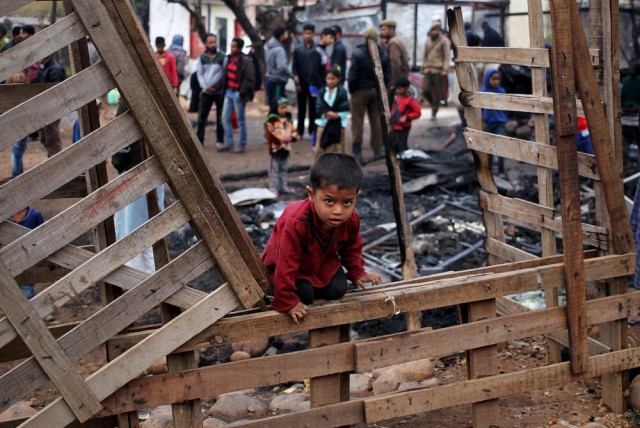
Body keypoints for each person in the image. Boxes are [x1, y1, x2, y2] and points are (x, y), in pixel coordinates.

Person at [262, 153, 382, 324]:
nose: (338, 211)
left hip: (319, 262)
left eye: (347, 202)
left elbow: (351, 248)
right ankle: (274, 292)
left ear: (356, 196)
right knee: (303, 294)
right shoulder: (296, 221)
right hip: (284, 267)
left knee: (339, 289)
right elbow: (286, 262)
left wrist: (357, 272)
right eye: (329, 201)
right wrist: (288, 301)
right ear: (311, 194)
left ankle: (310, 288)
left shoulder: (350, 220)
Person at [112, 100, 165, 273]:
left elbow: (119, 141)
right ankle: (150, 275)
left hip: (133, 170)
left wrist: (118, 162)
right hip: (154, 169)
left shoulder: (127, 100)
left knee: (130, 227)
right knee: (148, 226)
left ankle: (136, 278)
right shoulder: (155, 99)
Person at [348, 28, 390, 163]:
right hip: (376, 91)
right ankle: (378, 151)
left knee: (357, 123)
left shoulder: (358, 53)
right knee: (377, 122)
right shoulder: (383, 53)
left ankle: (357, 152)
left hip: (360, 91)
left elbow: (353, 75)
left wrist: (352, 89)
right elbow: (387, 76)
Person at [220, 37, 256, 153]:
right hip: (228, 92)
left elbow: (250, 79)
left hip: (238, 93)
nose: (232, 48)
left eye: (234, 46)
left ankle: (242, 145)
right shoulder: (228, 59)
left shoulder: (246, 61)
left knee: (241, 120)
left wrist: (242, 91)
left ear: (240, 48)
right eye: (231, 46)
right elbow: (224, 75)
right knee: (225, 118)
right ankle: (229, 143)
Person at [196, 33, 226, 147]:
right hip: (206, 92)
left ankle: (220, 141)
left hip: (219, 92)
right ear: (206, 44)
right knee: (201, 117)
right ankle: (199, 142)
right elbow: (200, 74)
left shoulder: (223, 56)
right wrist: (205, 86)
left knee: (220, 117)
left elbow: (224, 74)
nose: (213, 44)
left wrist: (217, 86)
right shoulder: (202, 58)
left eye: (214, 42)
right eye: (210, 43)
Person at [9, 206, 45, 299]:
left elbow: (43, 236)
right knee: (11, 293)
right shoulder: (5, 217)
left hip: (29, 262)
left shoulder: (34, 215)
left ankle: (30, 313)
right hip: (9, 262)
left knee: (27, 292)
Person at [265, 97, 298, 195]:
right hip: (276, 149)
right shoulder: (271, 120)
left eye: (285, 108)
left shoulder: (288, 119)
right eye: (282, 108)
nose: (284, 110)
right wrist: (281, 139)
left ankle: (283, 187)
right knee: (274, 169)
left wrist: (292, 137)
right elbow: (270, 134)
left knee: (283, 169)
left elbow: (293, 130)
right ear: (276, 108)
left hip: (285, 149)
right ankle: (273, 188)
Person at [315, 67, 349, 158]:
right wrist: (326, 114)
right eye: (328, 79)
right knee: (321, 150)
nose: (330, 81)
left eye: (333, 78)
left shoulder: (342, 92)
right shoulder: (322, 92)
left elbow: (345, 108)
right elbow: (318, 107)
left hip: (338, 126)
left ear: (338, 79)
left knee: (337, 150)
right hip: (323, 124)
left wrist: (335, 115)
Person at [38, 53, 66, 158]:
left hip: (52, 108)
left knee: (52, 137)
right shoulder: (44, 65)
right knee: (45, 135)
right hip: (44, 107)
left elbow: (57, 92)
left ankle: (55, 160)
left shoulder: (55, 69)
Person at [292, 23, 317, 139]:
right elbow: (294, 66)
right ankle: (300, 132)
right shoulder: (298, 49)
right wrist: (296, 78)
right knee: (301, 108)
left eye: (310, 33)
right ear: (303, 34)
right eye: (305, 33)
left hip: (313, 82)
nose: (307, 36)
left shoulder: (317, 49)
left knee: (313, 108)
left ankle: (312, 131)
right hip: (301, 82)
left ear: (313, 34)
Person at [421, 21, 451, 120]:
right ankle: (434, 103)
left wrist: (445, 69)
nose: (435, 31)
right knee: (425, 90)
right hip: (429, 69)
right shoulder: (428, 40)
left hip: (438, 70)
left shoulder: (444, 40)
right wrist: (424, 66)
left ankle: (434, 112)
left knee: (438, 92)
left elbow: (447, 56)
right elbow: (425, 55)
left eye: (437, 29)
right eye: (433, 29)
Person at [481, 68, 508, 174]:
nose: (496, 81)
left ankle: (501, 170)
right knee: (489, 147)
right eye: (494, 79)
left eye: (498, 79)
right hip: (488, 123)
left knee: (500, 146)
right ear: (488, 79)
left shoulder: (501, 91)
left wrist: (505, 118)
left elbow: (505, 107)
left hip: (500, 122)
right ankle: (490, 169)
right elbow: (481, 108)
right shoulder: (483, 92)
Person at [390, 76, 421, 153]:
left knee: (402, 146)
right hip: (395, 126)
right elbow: (395, 110)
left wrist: (407, 117)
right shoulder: (398, 98)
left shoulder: (410, 100)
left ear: (406, 88)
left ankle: (404, 162)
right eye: (397, 89)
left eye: (400, 89)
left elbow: (418, 112)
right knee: (394, 145)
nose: (398, 91)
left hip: (403, 127)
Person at [264, 26, 292, 112]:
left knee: (272, 106)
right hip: (277, 81)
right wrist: (291, 75)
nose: (287, 36)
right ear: (281, 36)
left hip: (270, 79)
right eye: (286, 34)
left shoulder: (267, 46)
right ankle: (274, 125)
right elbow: (282, 66)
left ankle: (270, 124)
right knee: (278, 108)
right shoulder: (279, 49)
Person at [380, 19, 409, 99]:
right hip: (400, 79)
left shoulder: (393, 43)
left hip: (396, 81)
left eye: (384, 30)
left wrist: (393, 83)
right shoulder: (395, 41)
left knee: (390, 107)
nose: (381, 32)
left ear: (391, 30)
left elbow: (395, 64)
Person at [7, 71, 29, 176]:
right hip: (15, 124)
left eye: (22, 72)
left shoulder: (26, 89)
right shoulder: (8, 92)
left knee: (17, 151)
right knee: (17, 152)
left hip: (22, 124)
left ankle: (17, 176)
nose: (20, 75)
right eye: (17, 72)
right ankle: (17, 175)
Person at [309, 27, 336, 95]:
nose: (332, 41)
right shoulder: (316, 52)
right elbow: (313, 73)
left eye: (333, 39)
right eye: (331, 37)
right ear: (324, 36)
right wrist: (323, 86)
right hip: (317, 88)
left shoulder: (324, 51)